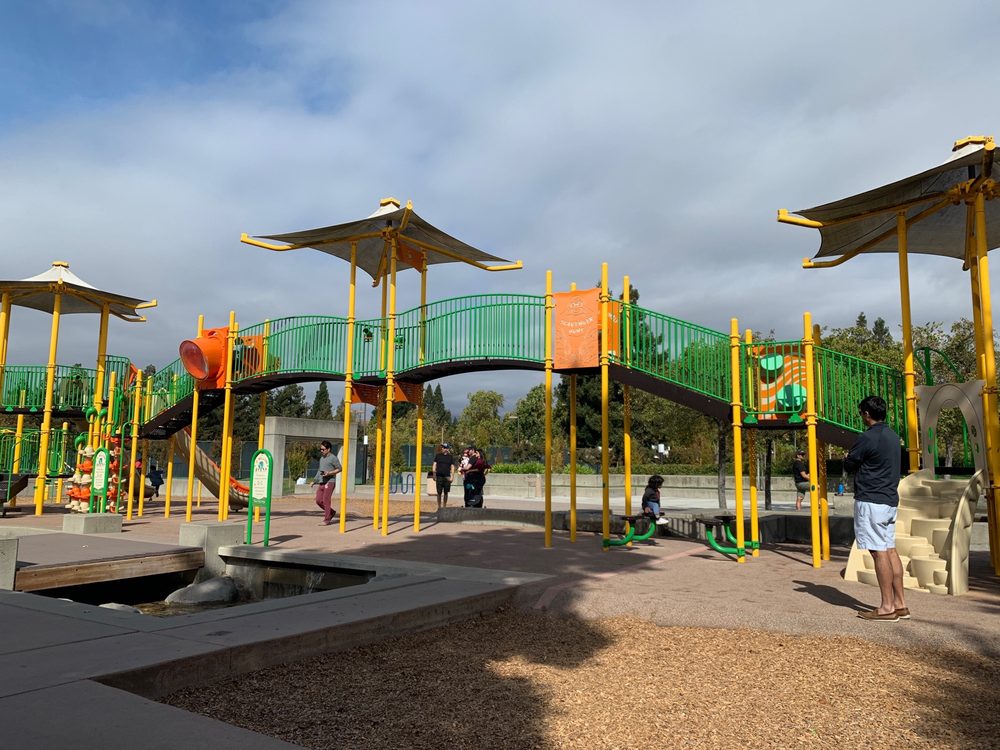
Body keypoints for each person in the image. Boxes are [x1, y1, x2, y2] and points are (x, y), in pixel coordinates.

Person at [843, 395, 908, 622]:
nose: (862, 416)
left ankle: (886, 607)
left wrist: (847, 458)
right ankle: (900, 604)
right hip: (889, 499)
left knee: (878, 552)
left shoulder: (867, 437)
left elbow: (850, 464)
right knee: (889, 549)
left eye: (862, 413)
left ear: (867, 413)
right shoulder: (893, 437)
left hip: (871, 500)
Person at [312, 440, 342, 526]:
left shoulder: (333, 458)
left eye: (323, 449)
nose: (321, 451)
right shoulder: (322, 459)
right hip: (322, 482)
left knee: (326, 500)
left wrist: (329, 473)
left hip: (330, 482)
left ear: (328, 449)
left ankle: (327, 520)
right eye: (320, 449)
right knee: (318, 500)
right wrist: (314, 481)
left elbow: (340, 468)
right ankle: (331, 512)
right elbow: (319, 470)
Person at [432, 443, 456, 509]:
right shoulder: (438, 456)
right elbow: (434, 464)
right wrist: (434, 474)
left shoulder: (450, 457)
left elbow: (452, 467)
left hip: (447, 477)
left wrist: (452, 477)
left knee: (446, 492)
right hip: (439, 476)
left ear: (447, 449)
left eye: (445, 448)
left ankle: (444, 506)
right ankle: (439, 506)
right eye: (443, 447)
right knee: (439, 492)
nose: (443, 449)